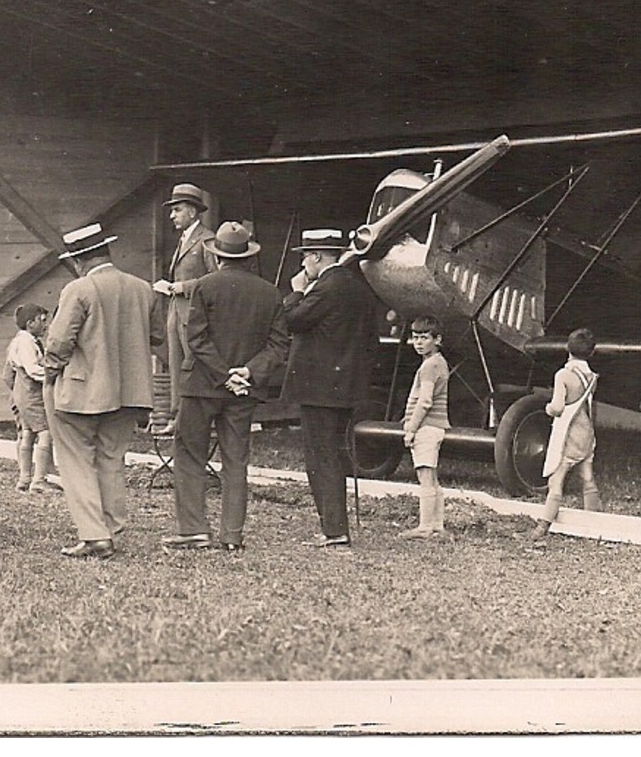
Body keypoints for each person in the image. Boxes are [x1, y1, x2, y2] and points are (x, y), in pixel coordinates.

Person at [42, 222, 164, 559]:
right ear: (106, 252)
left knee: (77, 460)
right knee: (112, 458)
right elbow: (156, 337)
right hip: (130, 392)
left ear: (79, 261)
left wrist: (50, 374)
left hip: (81, 393)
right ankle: (110, 528)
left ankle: (95, 535)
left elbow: (58, 342)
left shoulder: (78, 289)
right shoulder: (143, 288)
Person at [163, 221, 287, 553]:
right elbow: (278, 347)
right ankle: (232, 535)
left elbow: (196, 339)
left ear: (217, 256)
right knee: (236, 461)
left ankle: (193, 530)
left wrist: (223, 374)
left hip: (203, 385)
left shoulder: (204, 286)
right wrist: (245, 372)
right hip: (243, 390)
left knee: (189, 455)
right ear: (248, 256)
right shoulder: (270, 292)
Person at [276, 228, 383, 550]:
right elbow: (370, 342)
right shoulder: (358, 287)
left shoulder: (323, 287)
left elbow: (291, 320)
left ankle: (334, 529)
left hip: (319, 389)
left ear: (317, 257)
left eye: (305, 256)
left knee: (321, 457)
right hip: (345, 387)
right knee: (334, 454)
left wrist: (297, 291)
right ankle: (335, 526)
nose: (304, 264)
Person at [150, 184, 215, 436]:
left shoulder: (206, 240)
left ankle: (195, 419)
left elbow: (216, 279)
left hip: (193, 316)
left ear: (192, 211)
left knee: (193, 366)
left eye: (177, 210)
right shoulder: (184, 239)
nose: (171, 216)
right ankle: (178, 418)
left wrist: (179, 286)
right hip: (176, 313)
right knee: (177, 366)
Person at [529, 327, 603, 542]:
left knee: (557, 479)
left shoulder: (563, 374)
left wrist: (547, 409)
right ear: (591, 352)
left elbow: (558, 407)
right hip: (586, 432)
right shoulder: (591, 376)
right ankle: (593, 520)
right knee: (587, 477)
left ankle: (543, 526)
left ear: (567, 348)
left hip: (568, 434)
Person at [398, 315, 451, 540]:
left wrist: (411, 428)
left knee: (425, 478)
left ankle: (425, 527)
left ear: (437, 339)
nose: (419, 342)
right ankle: (436, 525)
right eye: (415, 337)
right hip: (434, 427)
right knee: (432, 477)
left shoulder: (430, 366)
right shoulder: (437, 363)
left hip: (426, 427)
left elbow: (425, 400)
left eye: (425, 338)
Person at [5, 304, 54, 494]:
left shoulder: (20, 341)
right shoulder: (25, 343)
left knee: (27, 433)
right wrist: (53, 377)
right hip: (32, 392)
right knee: (45, 432)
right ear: (30, 323)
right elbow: (33, 369)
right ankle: (38, 480)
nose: (46, 326)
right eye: (42, 321)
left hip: (21, 392)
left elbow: (7, 375)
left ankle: (24, 479)